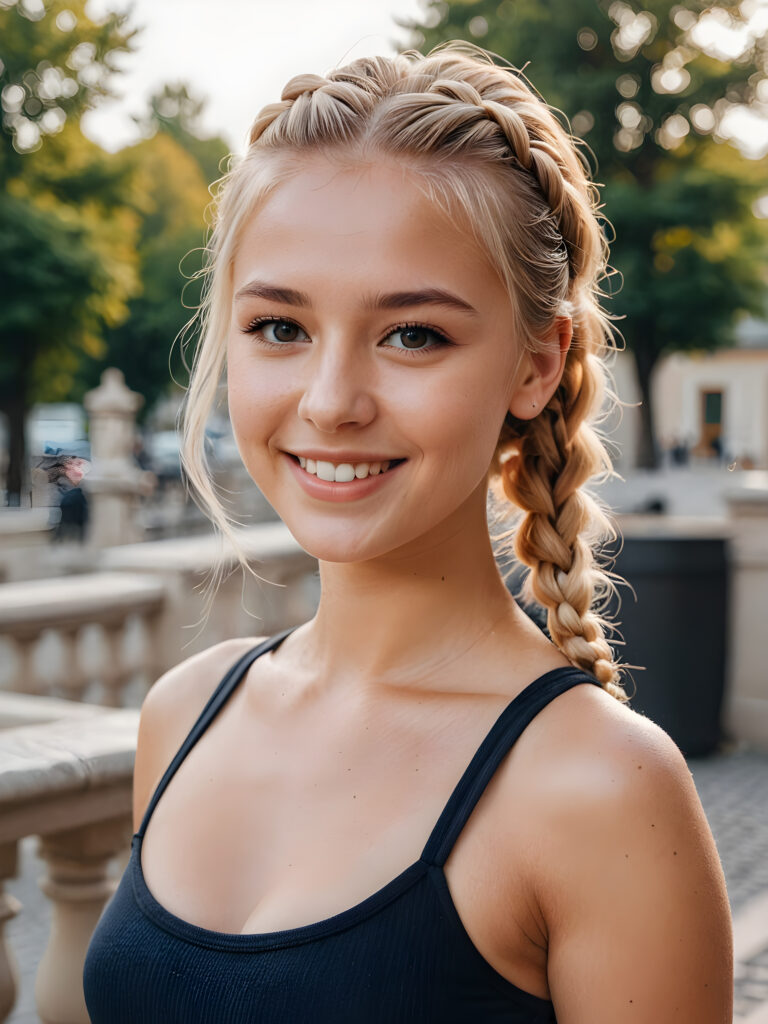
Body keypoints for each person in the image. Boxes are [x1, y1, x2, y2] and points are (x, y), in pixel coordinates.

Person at [83, 42, 732, 1022]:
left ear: (537, 362)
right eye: (279, 327)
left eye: (413, 334)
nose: (332, 401)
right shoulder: (185, 713)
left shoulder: (601, 790)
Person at [37, 442, 91, 542]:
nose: (76, 468)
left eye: (78, 464)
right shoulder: (66, 493)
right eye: (70, 465)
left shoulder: (78, 491)